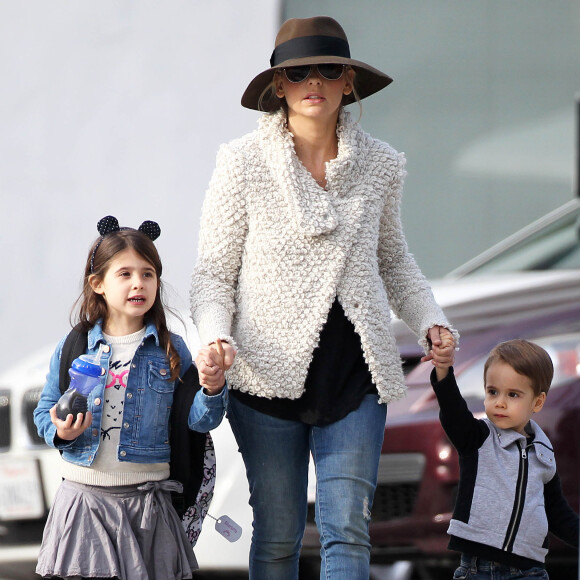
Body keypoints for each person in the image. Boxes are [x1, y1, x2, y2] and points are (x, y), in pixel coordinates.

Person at [190, 15, 458, 580]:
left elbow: (393, 260)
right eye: (298, 71)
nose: (314, 80)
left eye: (328, 69)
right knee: (280, 535)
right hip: (264, 372)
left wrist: (430, 319)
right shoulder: (242, 162)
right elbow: (214, 274)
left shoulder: (381, 164)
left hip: (355, 373)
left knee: (348, 531)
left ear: (348, 83)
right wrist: (216, 335)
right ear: (279, 86)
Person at [33, 215, 227, 580]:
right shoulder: (74, 345)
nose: (138, 283)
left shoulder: (172, 348)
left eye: (148, 273)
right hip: (84, 504)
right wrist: (61, 431)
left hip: (148, 508)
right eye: (125, 274)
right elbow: (45, 409)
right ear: (98, 283)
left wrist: (212, 388)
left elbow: (200, 420)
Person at [429, 331, 579, 579]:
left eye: (513, 395)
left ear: (537, 402)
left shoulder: (544, 454)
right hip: (480, 569)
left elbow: (556, 512)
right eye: (492, 391)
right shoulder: (477, 438)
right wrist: (443, 370)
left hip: (530, 570)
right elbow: (452, 408)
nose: (499, 402)